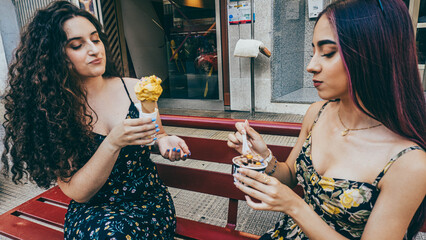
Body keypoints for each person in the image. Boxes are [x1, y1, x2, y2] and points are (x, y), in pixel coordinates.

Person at [228, 0, 425, 239]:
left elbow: (293, 200)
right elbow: (289, 174)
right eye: (313, 51)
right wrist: (263, 155)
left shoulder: (410, 162)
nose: (311, 66)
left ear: (374, 54)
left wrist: (295, 206)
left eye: (328, 52)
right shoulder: (317, 113)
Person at [1, 1, 190, 239]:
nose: (94, 49)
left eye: (96, 39)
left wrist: (164, 140)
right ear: (51, 56)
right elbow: (78, 193)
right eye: (77, 45)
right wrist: (112, 142)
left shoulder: (135, 88)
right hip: (94, 210)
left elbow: (155, 134)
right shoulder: (52, 111)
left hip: (148, 202)